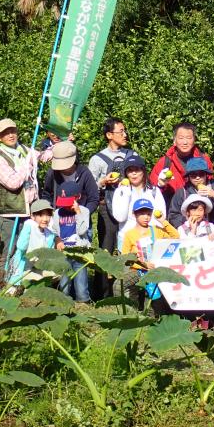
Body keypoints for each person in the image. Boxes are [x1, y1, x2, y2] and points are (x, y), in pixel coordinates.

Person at [88, 117, 135, 299]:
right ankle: (102, 293)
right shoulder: (97, 159)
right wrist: (103, 182)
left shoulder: (131, 155)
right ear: (109, 135)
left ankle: (127, 290)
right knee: (106, 249)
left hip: (129, 208)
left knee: (128, 248)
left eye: (125, 130)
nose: (125, 134)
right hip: (106, 209)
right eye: (120, 131)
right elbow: (89, 187)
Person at [0, 119, 48, 257]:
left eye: (13, 131)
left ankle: (24, 272)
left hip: (30, 210)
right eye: (5, 133)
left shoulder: (25, 150)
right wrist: (27, 166)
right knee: (9, 251)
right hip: (12, 213)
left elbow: (43, 157)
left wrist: (61, 144)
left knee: (29, 250)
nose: (10, 135)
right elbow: (13, 183)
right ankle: (4, 272)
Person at [119, 198, 180, 313]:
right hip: (137, 271)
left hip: (155, 271)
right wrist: (142, 264)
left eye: (148, 214)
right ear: (134, 214)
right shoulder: (129, 234)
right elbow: (125, 258)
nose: (146, 217)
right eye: (142, 214)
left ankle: (151, 315)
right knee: (121, 285)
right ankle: (130, 311)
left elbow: (176, 236)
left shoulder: (156, 230)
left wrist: (163, 221)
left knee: (153, 300)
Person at [149, 122, 214, 204]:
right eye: (181, 138)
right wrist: (160, 185)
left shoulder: (204, 160)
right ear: (174, 141)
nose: (185, 142)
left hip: (199, 208)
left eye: (189, 138)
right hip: (174, 208)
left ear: (194, 140)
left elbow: (212, 184)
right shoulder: (164, 163)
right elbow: (152, 192)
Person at [168, 157, 214, 237]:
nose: (197, 177)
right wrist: (189, 220)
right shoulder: (182, 192)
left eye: (201, 174)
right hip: (191, 233)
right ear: (188, 176)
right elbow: (173, 216)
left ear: (206, 174)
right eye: (193, 175)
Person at [50, 181, 92, 302]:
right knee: (64, 286)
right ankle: (64, 304)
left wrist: (78, 213)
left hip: (79, 253)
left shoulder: (84, 211)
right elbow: (55, 231)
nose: (66, 207)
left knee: (81, 287)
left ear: (78, 197)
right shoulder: (57, 213)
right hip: (64, 253)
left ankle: (83, 304)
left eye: (68, 203)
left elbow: (82, 231)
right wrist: (58, 240)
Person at [111, 155, 166, 246]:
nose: (134, 173)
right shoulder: (120, 191)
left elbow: (160, 218)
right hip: (127, 241)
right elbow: (120, 217)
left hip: (150, 240)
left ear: (143, 171)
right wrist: (125, 193)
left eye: (137, 170)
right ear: (126, 173)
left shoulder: (154, 191)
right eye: (130, 170)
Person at [9, 199, 64, 287]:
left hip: (39, 267)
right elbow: (21, 247)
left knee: (59, 273)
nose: (45, 219)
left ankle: (39, 290)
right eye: (41, 215)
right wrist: (28, 226)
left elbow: (48, 254)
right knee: (38, 280)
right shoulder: (29, 226)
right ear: (32, 216)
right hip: (24, 268)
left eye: (48, 215)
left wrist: (58, 240)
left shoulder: (49, 234)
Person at [41, 141, 100, 217]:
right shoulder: (52, 173)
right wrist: (51, 213)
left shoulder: (84, 173)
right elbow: (46, 195)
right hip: (58, 218)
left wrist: (83, 214)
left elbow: (94, 198)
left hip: (81, 218)